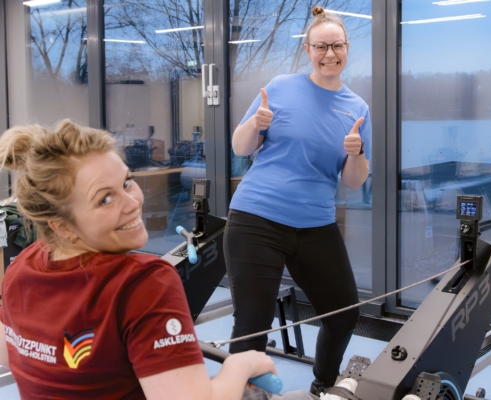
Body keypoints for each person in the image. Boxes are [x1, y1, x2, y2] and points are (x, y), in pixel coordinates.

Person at [0, 119, 277, 400]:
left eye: (127, 182)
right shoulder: (144, 282)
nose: (133, 203)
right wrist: (241, 365)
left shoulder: (22, 266)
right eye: (104, 200)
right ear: (62, 226)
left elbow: (15, 357)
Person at [224, 5, 371, 396]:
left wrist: (355, 153)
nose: (329, 54)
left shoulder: (357, 108)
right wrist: (255, 125)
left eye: (336, 46)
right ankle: (245, 395)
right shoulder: (281, 87)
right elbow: (240, 147)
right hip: (257, 218)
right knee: (252, 323)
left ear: (346, 48)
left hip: (315, 224)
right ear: (307, 50)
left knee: (343, 315)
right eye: (320, 46)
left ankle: (323, 387)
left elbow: (353, 181)